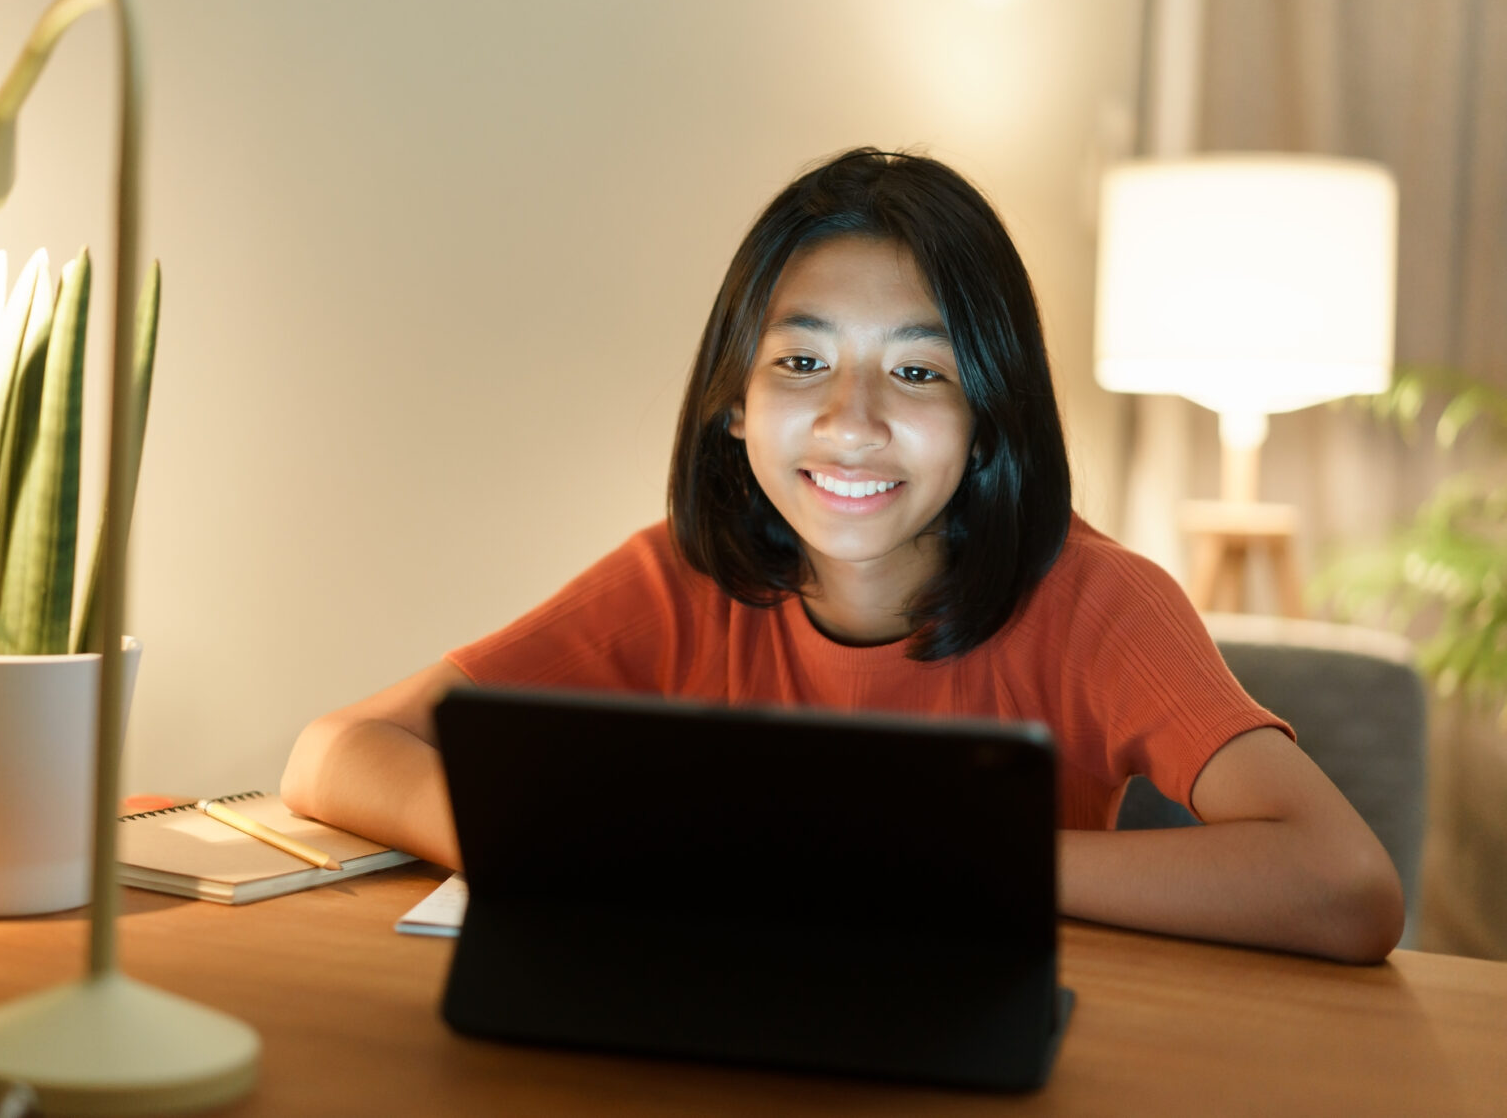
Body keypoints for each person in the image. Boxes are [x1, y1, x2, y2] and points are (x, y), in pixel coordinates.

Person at [282, 148, 1404, 964]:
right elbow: (334, 753)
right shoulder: (682, 576)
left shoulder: (1098, 601)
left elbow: (1344, 883)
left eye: (918, 373)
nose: (851, 421)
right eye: (802, 363)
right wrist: (582, 848)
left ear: (988, 415)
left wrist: (921, 863)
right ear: (732, 403)